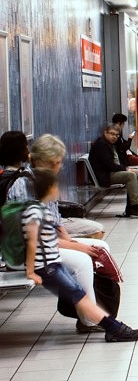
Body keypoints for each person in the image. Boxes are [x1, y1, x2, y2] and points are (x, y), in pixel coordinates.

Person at [2, 133, 113, 333]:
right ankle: (89, 319)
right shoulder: (25, 186)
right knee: (82, 262)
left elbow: (55, 221)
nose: (60, 167)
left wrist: (71, 240)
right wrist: (77, 246)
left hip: (41, 247)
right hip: (26, 254)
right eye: (57, 162)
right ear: (45, 162)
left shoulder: (43, 180)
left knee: (101, 246)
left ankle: (89, 308)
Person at [22, 168, 138, 342]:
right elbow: (33, 243)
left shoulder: (41, 210)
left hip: (53, 264)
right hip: (47, 268)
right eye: (56, 186)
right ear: (48, 189)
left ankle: (114, 328)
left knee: (79, 296)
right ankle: (115, 329)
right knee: (79, 297)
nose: (58, 190)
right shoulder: (35, 213)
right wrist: (31, 272)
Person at [89, 124, 138, 217]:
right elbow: (109, 165)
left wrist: (128, 169)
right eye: (112, 134)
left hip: (107, 173)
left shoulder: (107, 144)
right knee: (130, 175)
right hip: (104, 176)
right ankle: (135, 206)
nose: (114, 137)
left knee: (135, 173)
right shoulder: (101, 145)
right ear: (105, 133)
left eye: (116, 135)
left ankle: (135, 206)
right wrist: (126, 168)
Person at [110, 113, 138, 182]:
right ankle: (137, 182)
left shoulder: (118, 133)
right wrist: (130, 139)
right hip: (126, 157)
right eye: (123, 124)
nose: (123, 126)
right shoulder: (115, 134)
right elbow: (123, 147)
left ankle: (137, 181)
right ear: (119, 123)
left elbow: (123, 145)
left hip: (128, 155)